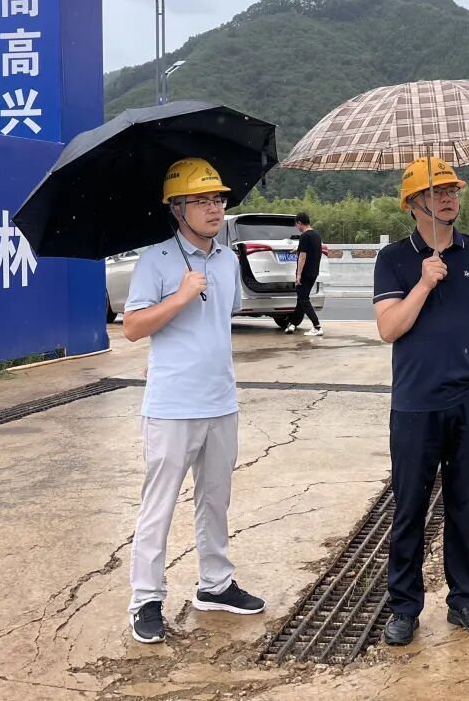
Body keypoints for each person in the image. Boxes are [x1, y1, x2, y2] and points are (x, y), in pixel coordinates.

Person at [373, 157, 469, 647]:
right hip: (416, 402)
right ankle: (404, 607)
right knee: (410, 506)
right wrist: (423, 283)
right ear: (413, 203)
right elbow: (388, 328)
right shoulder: (394, 259)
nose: (447, 198)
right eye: (436, 192)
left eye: (452, 190)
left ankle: (465, 601)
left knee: (463, 502)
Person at [122, 157, 265, 644]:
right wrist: (180, 296)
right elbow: (133, 327)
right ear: (176, 208)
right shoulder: (156, 260)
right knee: (159, 504)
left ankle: (216, 584)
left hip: (220, 400)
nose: (214, 208)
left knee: (215, 500)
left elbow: (223, 320)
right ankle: (146, 598)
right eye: (201, 200)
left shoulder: (227, 260)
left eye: (218, 199)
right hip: (172, 406)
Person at [286, 211, 323, 336]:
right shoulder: (316, 235)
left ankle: (317, 326)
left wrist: (298, 275)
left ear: (299, 223)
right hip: (314, 272)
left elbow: (302, 257)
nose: (297, 227)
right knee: (301, 299)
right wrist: (298, 248)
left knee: (303, 299)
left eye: (296, 225)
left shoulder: (304, 236)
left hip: (305, 273)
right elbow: (311, 249)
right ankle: (293, 324)